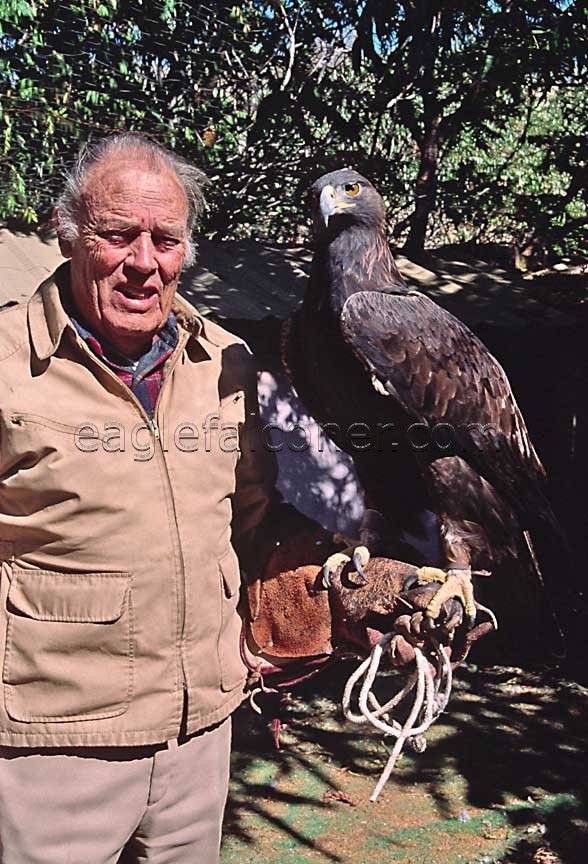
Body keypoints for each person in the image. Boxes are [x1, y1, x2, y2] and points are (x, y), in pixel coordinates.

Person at [0, 132, 277, 863]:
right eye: (118, 235)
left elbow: (249, 516)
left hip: (199, 736)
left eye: (167, 240)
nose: (144, 264)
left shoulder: (224, 361)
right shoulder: (6, 364)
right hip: (53, 745)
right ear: (67, 234)